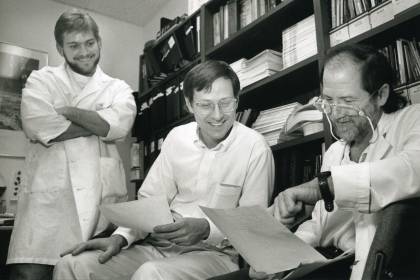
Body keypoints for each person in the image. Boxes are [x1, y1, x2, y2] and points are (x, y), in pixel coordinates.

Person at [210, 43, 420, 280]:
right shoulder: (335, 152)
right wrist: (281, 258)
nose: (336, 114)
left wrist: (324, 186)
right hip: (325, 261)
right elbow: (319, 225)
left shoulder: (412, 121)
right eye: (328, 100)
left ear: (381, 94)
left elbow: (412, 169)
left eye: (348, 101)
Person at [52, 60, 275, 280]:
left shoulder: (255, 148)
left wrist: (206, 229)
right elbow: (150, 201)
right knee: (71, 265)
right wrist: (121, 237)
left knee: (152, 273)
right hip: (159, 246)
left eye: (225, 103)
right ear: (189, 104)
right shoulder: (177, 138)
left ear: (237, 101)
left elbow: (253, 226)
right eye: (205, 105)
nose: (217, 115)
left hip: (216, 255)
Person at [7, 9, 136, 280]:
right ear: (59, 48)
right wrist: (98, 124)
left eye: (89, 43)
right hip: (47, 208)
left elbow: (119, 127)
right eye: (74, 45)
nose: (84, 52)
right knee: (31, 274)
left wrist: (68, 111)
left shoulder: (118, 88)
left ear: (99, 42)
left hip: (99, 209)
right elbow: (38, 126)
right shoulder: (42, 79)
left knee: (85, 273)